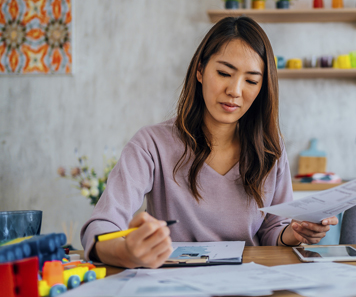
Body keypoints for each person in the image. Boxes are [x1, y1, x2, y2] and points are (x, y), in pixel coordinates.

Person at [80, 16, 338, 268]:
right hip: (175, 285)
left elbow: (272, 230)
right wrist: (126, 252)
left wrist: (295, 234)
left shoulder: (270, 149)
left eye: (251, 80)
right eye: (225, 73)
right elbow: (102, 226)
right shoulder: (151, 145)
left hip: (249, 283)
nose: (235, 91)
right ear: (200, 71)